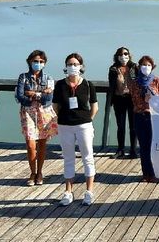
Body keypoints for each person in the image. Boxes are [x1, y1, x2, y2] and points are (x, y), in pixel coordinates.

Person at [52, 53, 98, 206]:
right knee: (68, 158)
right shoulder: (59, 85)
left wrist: (86, 119)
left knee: (87, 157)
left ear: (81, 67)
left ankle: (89, 191)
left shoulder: (88, 85)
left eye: (75, 64)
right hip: (65, 125)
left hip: (83, 125)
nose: (73, 67)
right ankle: (68, 191)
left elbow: (94, 107)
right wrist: (65, 118)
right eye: (70, 64)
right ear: (65, 67)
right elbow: (55, 106)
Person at [15, 50, 58, 186]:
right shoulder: (23, 77)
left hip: (44, 112)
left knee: (42, 144)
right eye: (35, 61)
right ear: (29, 61)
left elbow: (49, 98)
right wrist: (41, 94)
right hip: (27, 112)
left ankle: (39, 172)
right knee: (30, 143)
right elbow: (21, 97)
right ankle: (32, 172)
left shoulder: (49, 78)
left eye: (41, 62)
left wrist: (33, 94)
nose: (38, 64)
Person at [128, 55, 159, 183]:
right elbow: (133, 99)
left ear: (153, 67)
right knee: (144, 147)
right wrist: (143, 99)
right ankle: (146, 173)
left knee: (153, 146)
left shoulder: (157, 80)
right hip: (139, 115)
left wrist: (153, 99)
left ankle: (155, 172)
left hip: (154, 117)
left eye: (149, 65)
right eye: (143, 65)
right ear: (139, 67)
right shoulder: (134, 83)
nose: (146, 67)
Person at [108, 47, 138, 159]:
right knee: (120, 126)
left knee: (133, 126)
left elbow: (138, 82)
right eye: (120, 54)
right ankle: (120, 150)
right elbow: (111, 85)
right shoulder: (113, 68)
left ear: (129, 55)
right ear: (117, 56)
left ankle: (133, 150)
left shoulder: (134, 67)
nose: (123, 56)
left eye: (125, 54)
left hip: (132, 99)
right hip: (118, 98)